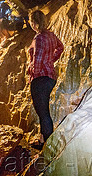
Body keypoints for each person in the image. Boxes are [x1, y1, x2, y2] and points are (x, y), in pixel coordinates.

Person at [27, 10, 64, 148]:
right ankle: (43, 139)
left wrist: (33, 72)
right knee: (44, 111)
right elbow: (61, 48)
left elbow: (37, 58)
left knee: (43, 112)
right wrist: (51, 61)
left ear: (34, 23)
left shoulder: (39, 38)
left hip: (40, 78)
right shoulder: (51, 35)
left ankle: (47, 144)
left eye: (31, 22)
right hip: (50, 77)